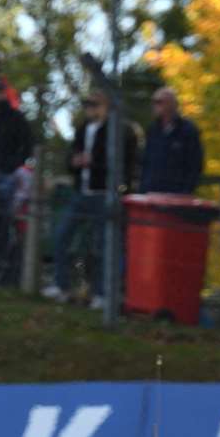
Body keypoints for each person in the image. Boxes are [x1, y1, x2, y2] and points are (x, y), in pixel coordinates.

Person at [45, 90, 137, 307]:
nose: (90, 109)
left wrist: (93, 163)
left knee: (103, 245)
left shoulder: (118, 131)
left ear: (106, 106)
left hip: (104, 194)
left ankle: (101, 294)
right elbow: (71, 158)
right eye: (87, 105)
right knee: (62, 236)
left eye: (95, 104)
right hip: (81, 193)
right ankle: (62, 285)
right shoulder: (82, 129)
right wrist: (75, 163)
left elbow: (122, 164)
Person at [140, 87, 204, 195]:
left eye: (159, 102)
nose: (155, 106)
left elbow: (195, 164)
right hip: (152, 193)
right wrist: (143, 189)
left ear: (172, 104)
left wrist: (186, 191)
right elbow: (146, 162)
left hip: (177, 195)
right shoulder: (153, 130)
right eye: (154, 102)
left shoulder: (188, 130)